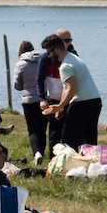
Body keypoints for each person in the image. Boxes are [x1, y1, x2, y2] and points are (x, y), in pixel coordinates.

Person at [40, 33, 102, 151]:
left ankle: (71, 161)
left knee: (69, 140)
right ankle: (90, 161)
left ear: (57, 49)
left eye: (49, 52)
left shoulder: (65, 66)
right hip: (95, 101)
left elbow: (71, 88)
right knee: (89, 140)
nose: (48, 55)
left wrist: (60, 105)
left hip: (81, 104)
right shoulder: (74, 58)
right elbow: (67, 87)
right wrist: (62, 108)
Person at [37, 28, 77, 158]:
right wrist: (42, 98)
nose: (68, 43)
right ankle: (53, 160)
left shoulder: (73, 56)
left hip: (70, 99)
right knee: (54, 132)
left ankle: (69, 158)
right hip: (53, 99)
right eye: (66, 40)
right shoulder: (45, 58)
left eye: (70, 40)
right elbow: (39, 80)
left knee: (69, 132)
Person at [13, 40, 46, 163]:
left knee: (33, 130)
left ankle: (37, 153)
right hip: (44, 99)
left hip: (29, 100)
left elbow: (17, 86)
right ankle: (42, 152)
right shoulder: (43, 60)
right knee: (42, 129)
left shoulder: (20, 64)